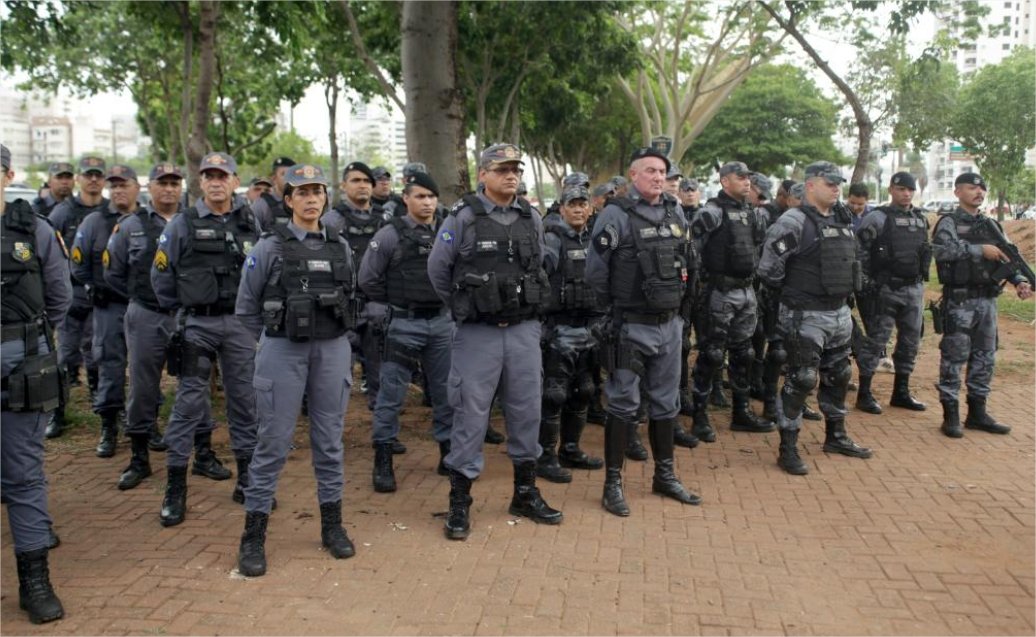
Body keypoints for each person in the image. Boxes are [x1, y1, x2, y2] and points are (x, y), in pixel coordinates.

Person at [427, 143, 562, 539]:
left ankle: (525, 492)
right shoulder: (464, 217)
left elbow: (538, 266)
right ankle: (460, 502)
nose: (511, 175)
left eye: (516, 169)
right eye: (502, 169)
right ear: (482, 173)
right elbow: (438, 270)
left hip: (522, 332)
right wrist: (466, 307)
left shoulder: (530, 217)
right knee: (470, 416)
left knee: (526, 412)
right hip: (477, 335)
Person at [234, 163, 356, 577]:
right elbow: (246, 308)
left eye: (317, 191)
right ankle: (253, 536)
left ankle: (332, 526)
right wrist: (273, 341)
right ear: (288, 201)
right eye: (302, 192)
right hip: (283, 350)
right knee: (272, 443)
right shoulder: (270, 247)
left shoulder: (341, 246)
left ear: (325, 198)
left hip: (332, 349)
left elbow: (351, 294)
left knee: (330, 441)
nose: (310, 198)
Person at [585, 146, 701, 517]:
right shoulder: (615, 215)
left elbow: (685, 260)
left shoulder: (674, 210)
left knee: (667, 403)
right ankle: (613, 483)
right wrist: (612, 313)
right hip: (630, 326)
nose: (657, 177)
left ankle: (664, 476)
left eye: (662, 172)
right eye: (650, 170)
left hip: (669, 324)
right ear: (633, 175)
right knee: (623, 404)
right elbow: (595, 272)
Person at [103, 163, 231, 490]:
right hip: (146, 313)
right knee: (144, 385)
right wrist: (143, 298)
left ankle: (203, 453)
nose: (169, 189)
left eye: (175, 183)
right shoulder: (131, 226)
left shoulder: (194, 221)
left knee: (196, 383)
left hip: (188, 316)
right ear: (150, 187)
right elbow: (113, 273)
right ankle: (139, 457)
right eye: (163, 183)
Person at [151, 152, 261, 527]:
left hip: (240, 327)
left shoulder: (250, 220)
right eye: (209, 176)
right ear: (201, 182)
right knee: (189, 403)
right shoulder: (183, 223)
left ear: (235, 180)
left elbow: (262, 271)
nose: (216, 181)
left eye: (223, 175)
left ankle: (247, 477)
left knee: (245, 401)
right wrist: (183, 310)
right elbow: (161, 276)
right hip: (198, 325)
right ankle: (175, 487)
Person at [757, 161, 872, 476]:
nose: (836, 188)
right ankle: (788, 448)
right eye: (829, 183)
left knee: (840, 374)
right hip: (804, 315)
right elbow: (769, 270)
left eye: (838, 183)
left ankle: (836, 436)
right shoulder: (792, 222)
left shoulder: (842, 218)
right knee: (802, 379)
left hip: (838, 313)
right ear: (810, 186)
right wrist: (797, 296)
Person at [1, 144, 71, 624]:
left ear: (7, 175)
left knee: (23, 476)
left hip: (19, 367)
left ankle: (35, 583)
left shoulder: (35, 231)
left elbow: (60, 299)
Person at [359, 171, 454, 492]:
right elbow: (368, 279)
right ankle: (383, 460)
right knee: (391, 395)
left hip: (441, 324)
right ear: (406, 199)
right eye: (420, 196)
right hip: (403, 324)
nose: (426, 203)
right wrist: (397, 303)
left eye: (431, 197)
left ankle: (448, 453)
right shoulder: (390, 234)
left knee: (446, 393)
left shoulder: (446, 231)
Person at [933, 172, 1033, 438]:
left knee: (985, 357)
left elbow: (1006, 257)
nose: (978, 192)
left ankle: (977, 412)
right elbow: (941, 251)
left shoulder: (992, 226)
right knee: (954, 356)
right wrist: (979, 250)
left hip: (987, 301)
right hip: (959, 300)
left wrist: (1019, 280)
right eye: (971, 188)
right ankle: (950, 415)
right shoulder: (949, 222)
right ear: (957, 192)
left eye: (981, 188)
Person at [688, 161, 774, 443]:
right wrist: (698, 289)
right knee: (712, 354)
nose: (747, 182)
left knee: (744, 353)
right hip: (718, 293)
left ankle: (741, 412)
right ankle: (700, 417)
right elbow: (692, 253)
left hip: (746, 293)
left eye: (749, 177)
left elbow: (759, 248)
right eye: (740, 177)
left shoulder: (753, 213)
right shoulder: (711, 213)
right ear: (725, 181)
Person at [536, 185, 606, 483]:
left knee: (585, 391)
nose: (578, 209)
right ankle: (545, 456)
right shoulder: (552, 238)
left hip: (589, 329)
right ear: (561, 208)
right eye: (572, 205)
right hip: (559, 329)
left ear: (590, 208)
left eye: (583, 204)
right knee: (554, 395)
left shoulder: (595, 239)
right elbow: (539, 274)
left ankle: (571, 449)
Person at [70, 165, 138, 458]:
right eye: (115, 185)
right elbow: (78, 264)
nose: (119, 189)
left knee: (144, 369)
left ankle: (143, 424)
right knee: (109, 365)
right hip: (108, 306)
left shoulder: (145, 221)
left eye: (125, 184)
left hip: (142, 307)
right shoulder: (94, 222)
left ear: (136, 187)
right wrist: (92, 288)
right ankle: (109, 425)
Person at [854, 172, 930, 414]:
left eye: (910, 190)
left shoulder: (920, 219)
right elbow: (859, 255)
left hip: (914, 289)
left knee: (910, 342)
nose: (906, 194)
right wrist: (867, 285)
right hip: (885, 290)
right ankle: (864, 394)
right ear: (891, 190)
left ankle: (901, 393)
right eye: (901, 189)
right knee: (876, 342)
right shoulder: (877, 218)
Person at [44, 156, 108, 438]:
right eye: (88, 174)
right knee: (64, 355)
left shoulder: (110, 212)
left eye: (98, 174)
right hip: (71, 295)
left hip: (103, 294)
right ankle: (57, 413)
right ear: (79, 179)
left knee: (98, 354)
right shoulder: (62, 212)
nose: (93, 179)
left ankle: (99, 399)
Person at [322, 161, 389, 415]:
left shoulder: (385, 220)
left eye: (367, 181)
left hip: (376, 304)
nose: (362, 185)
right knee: (337, 372)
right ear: (343, 185)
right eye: (356, 180)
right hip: (342, 306)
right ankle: (332, 429)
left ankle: (383, 435)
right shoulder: (331, 220)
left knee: (380, 370)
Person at [250, 156, 295, 232]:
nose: (288, 179)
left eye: (292, 175)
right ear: (274, 178)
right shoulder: (261, 204)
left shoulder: (303, 201)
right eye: (284, 174)